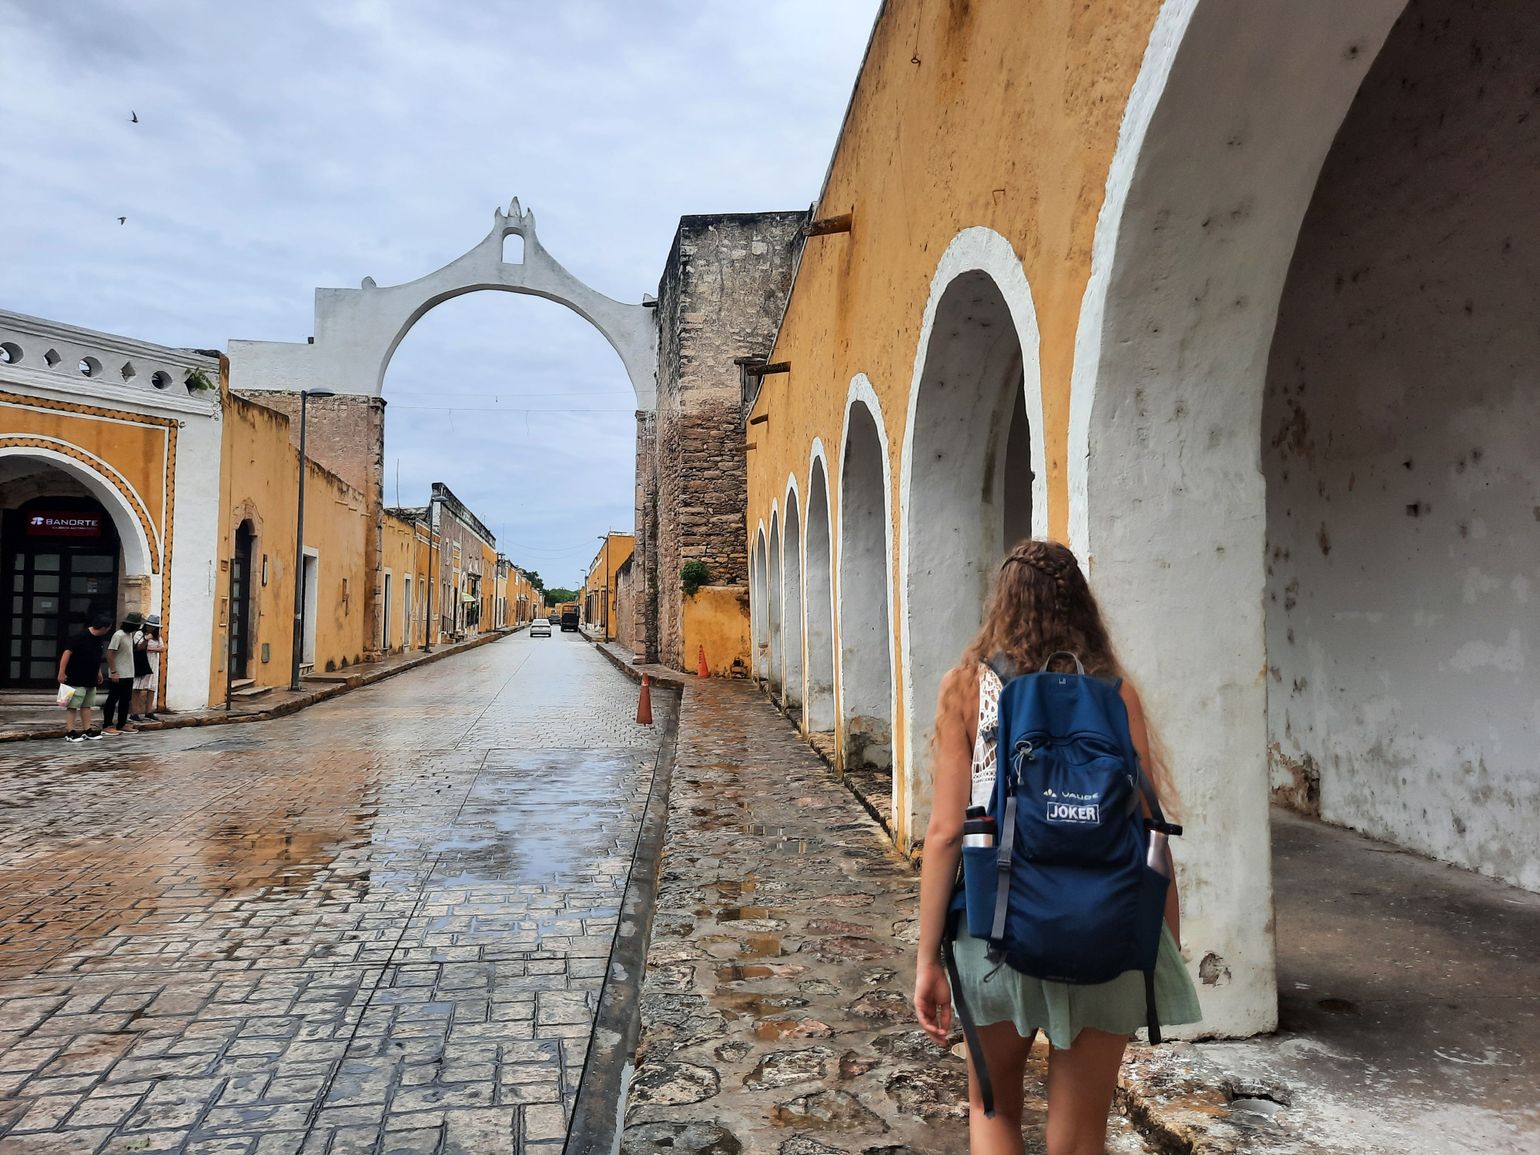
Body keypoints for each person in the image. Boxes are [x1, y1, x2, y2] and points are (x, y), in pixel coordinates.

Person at [913, 539, 1201, 1155]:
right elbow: (1150, 826)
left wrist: (927, 962)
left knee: (993, 1110)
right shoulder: (1113, 693)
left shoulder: (967, 686)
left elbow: (943, 834)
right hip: (1107, 930)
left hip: (993, 932)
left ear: (1002, 602)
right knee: (1080, 1136)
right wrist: (1161, 943)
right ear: (1081, 607)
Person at [57, 613, 112, 742]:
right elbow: (67, 653)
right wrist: (61, 672)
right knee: (72, 705)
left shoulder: (99, 638)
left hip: (90, 677)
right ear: (103, 627)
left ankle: (87, 730)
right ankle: (70, 731)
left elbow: (96, 656)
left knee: (87, 705)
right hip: (76, 676)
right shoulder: (80, 636)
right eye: (108, 627)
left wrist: (98, 671)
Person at [101, 611, 144, 735]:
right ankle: (107, 724)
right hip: (118, 673)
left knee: (125, 700)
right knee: (112, 699)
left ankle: (122, 723)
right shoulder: (118, 635)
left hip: (128, 672)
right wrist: (114, 671)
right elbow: (110, 653)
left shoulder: (129, 635)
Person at [129, 614, 165, 723]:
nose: (152, 628)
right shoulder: (139, 634)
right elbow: (139, 647)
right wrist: (148, 643)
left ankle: (149, 712)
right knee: (137, 688)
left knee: (152, 688)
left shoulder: (157, 636)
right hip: (142, 662)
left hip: (153, 663)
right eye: (150, 625)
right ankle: (134, 712)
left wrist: (150, 648)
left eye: (154, 626)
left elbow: (162, 648)